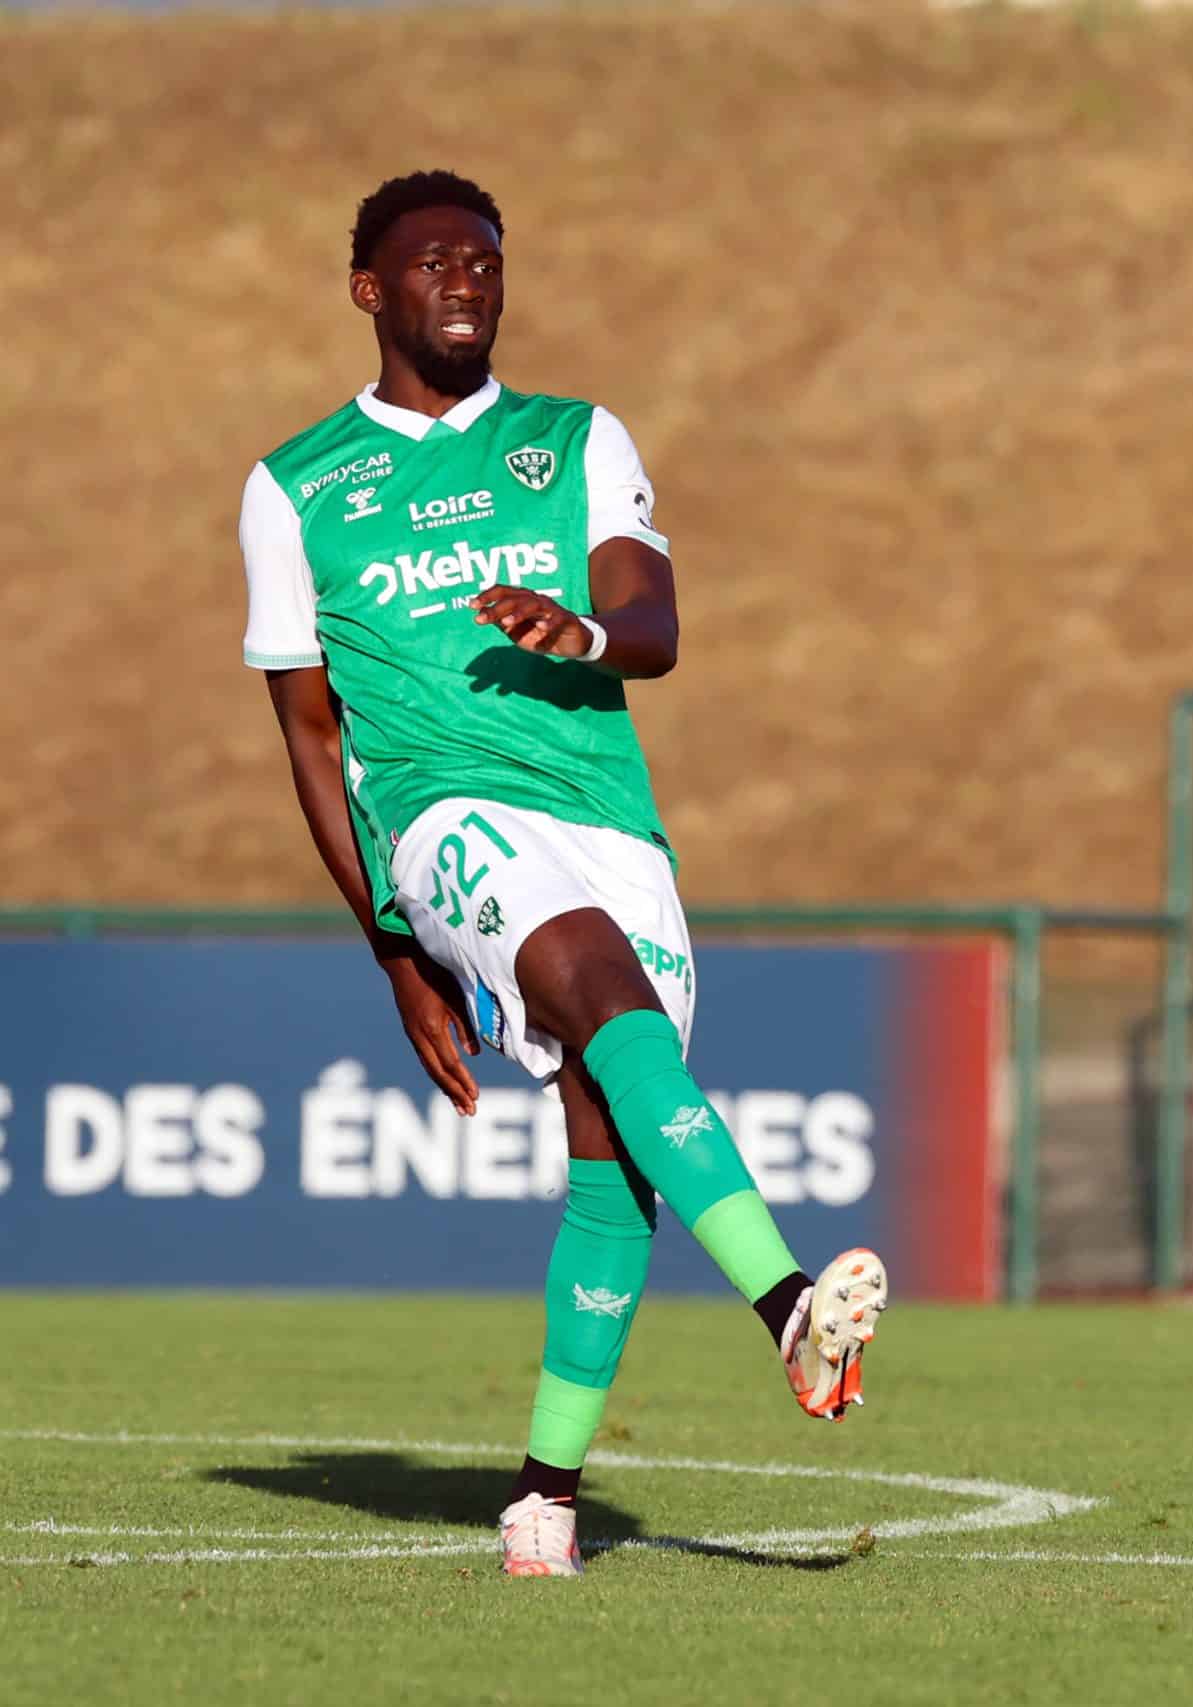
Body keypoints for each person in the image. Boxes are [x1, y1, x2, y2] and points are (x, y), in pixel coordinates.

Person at [239, 169, 884, 1579]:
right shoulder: (293, 488)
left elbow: (653, 622)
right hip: (442, 813)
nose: (467, 281)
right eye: (434, 262)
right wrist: (393, 947)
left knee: (612, 1146)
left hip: (606, 815)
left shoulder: (576, 438)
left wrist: (582, 633)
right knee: (595, 985)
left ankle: (542, 1499)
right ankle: (787, 1305)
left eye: (486, 260)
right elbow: (309, 736)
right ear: (369, 291)